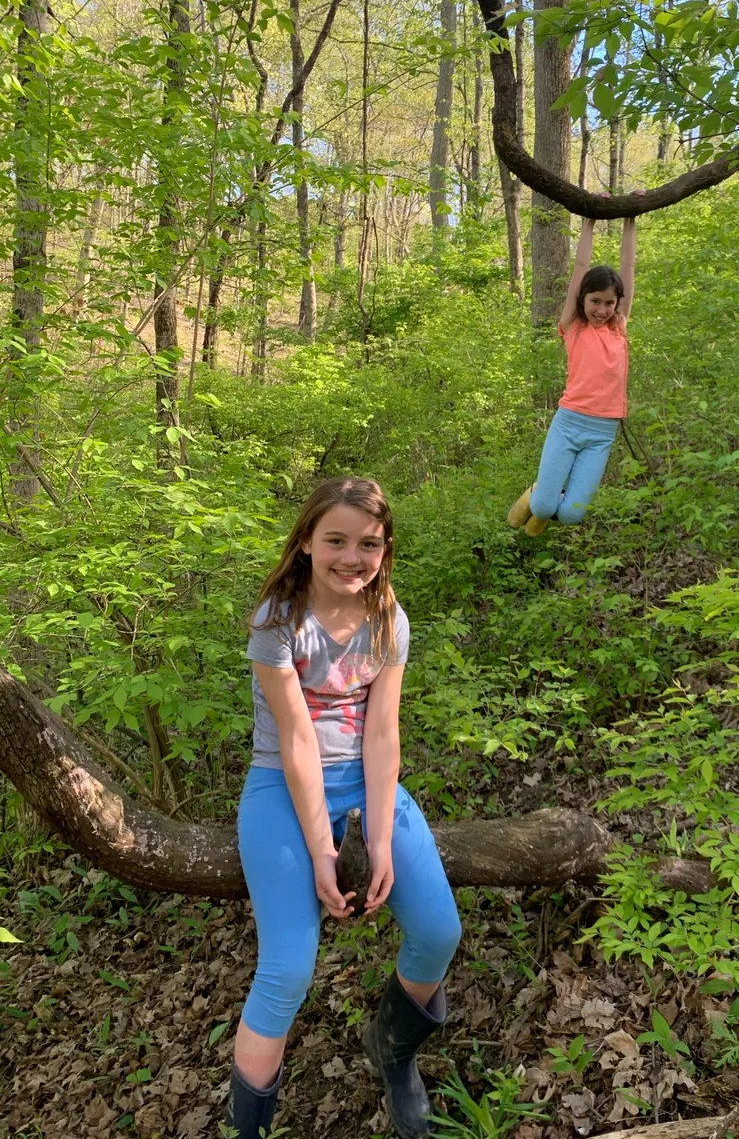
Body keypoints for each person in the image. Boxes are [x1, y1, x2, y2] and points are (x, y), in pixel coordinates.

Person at [225, 476, 462, 1139]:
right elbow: (297, 740)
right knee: (288, 966)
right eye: (335, 540)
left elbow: (383, 734)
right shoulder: (278, 621)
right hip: (281, 783)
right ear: (305, 542)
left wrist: (379, 840)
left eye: (369, 543)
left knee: (440, 931)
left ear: (385, 550)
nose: (351, 557)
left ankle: (393, 1053)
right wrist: (325, 853)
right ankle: (249, 1129)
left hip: (364, 783)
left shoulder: (389, 619)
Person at [508, 214, 637, 534]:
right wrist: (590, 222)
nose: (602, 309)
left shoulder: (619, 327)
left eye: (609, 303)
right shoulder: (574, 327)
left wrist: (630, 220)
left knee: (571, 515)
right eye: (595, 301)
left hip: (602, 433)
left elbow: (628, 269)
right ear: (582, 300)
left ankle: (549, 505)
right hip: (569, 423)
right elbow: (579, 270)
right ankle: (538, 498)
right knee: (543, 507)